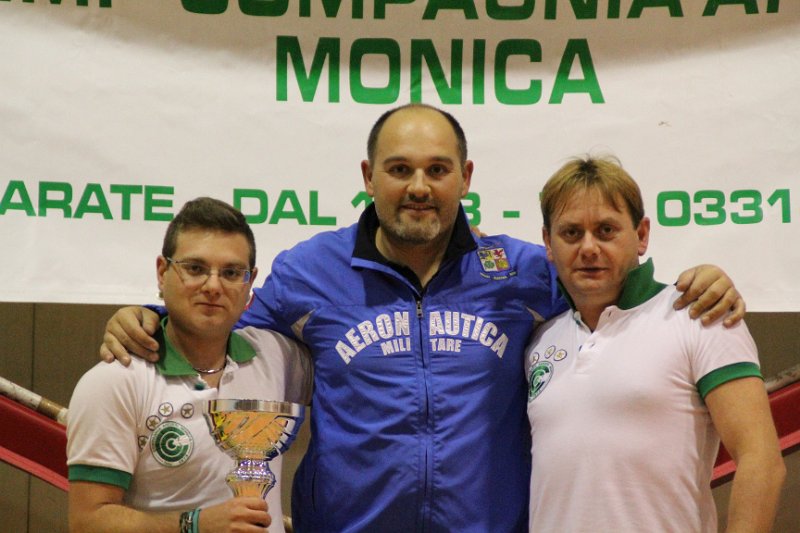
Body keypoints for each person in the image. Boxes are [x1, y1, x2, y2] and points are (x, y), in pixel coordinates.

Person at [98, 105, 746, 532]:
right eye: (399, 169)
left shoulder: (523, 271)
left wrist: (700, 280)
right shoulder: (309, 271)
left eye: (437, 170)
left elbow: (610, 283)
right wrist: (149, 317)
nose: (418, 186)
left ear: (465, 177)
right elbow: (216, 321)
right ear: (368, 176)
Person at [525, 156, 785, 532]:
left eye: (606, 230)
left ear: (642, 234)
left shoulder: (701, 315)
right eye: (571, 233)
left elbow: (761, 460)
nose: (589, 247)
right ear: (548, 243)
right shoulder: (539, 341)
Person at [67, 197, 311, 533]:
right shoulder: (115, 381)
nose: (213, 286)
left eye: (231, 273)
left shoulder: (276, 356)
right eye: (195, 268)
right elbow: (87, 521)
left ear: (249, 282)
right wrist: (195, 526)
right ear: (162, 272)